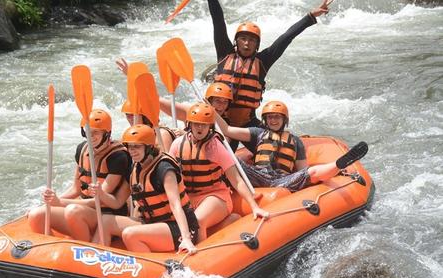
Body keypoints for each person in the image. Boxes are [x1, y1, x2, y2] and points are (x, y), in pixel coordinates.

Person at [208, 0, 332, 150]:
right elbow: (218, 20)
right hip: (221, 122)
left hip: (247, 125)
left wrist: (310, 16)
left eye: (252, 40)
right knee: (221, 156)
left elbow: (286, 38)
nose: (247, 43)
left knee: (276, 153)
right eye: (243, 39)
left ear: (257, 45)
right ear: (236, 41)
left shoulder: (263, 61)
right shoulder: (224, 54)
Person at [89, 124, 199, 254]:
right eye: (130, 147)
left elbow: (176, 205)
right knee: (106, 220)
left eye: (137, 146)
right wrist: (101, 194)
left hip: (178, 227)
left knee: (130, 234)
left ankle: (151, 270)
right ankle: (91, 260)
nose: (132, 151)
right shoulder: (135, 168)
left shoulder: (164, 168)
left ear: (149, 147)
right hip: (152, 224)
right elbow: (117, 202)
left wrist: (186, 238)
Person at [215, 100, 369, 191]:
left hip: (282, 180)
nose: (273, 121)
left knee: (311, 172)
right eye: (269, 118)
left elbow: (303, 170)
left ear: (284, 120)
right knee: (230, 157)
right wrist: (209, 109)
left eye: (277, 117)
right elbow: (226, 129)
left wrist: (305, 180)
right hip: (257, 174)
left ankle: (338, 165)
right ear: (265, 120)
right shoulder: (257, 133)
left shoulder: (296, 141)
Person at [27, 109, 132, 241]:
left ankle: (84, 249)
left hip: (105, 215)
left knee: (73, 211)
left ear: (107, 134)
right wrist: (49, 203)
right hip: (82, 210)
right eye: (88, 132)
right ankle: (55, 252)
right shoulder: (82, 149)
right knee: (36, 215)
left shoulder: (118, 157)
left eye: (96, 133)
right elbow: (75, 189)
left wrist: (60, 202)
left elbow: (98, 200)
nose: (91, 136)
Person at [169, 103, 267, 242]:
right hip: (189, 198)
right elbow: (170, 176)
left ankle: (201, 255)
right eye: (196, 124)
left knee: (197, 221)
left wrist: (254, 207)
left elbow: (236, 180)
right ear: (189, 124)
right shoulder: (178, 144)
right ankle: (228, 222)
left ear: (210, 126)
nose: (200, 128)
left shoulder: (216, 147)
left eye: (204, 124)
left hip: (216, 197)